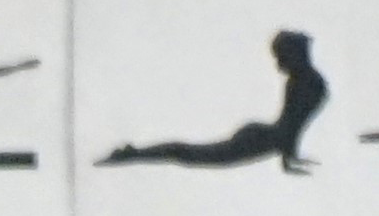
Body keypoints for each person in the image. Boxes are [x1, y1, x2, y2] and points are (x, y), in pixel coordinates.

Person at [99, 30, 328, 171]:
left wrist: (289, 155)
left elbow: (293, 124)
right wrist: (289, 156)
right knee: (189, 154)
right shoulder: (306, 82)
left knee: (189, 153)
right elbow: (292, 125)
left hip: (264, 138)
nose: (279, 62)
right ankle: (134, 154)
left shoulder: (304, 83)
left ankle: (134, 153)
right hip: (261, 140)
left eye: (282, 56)